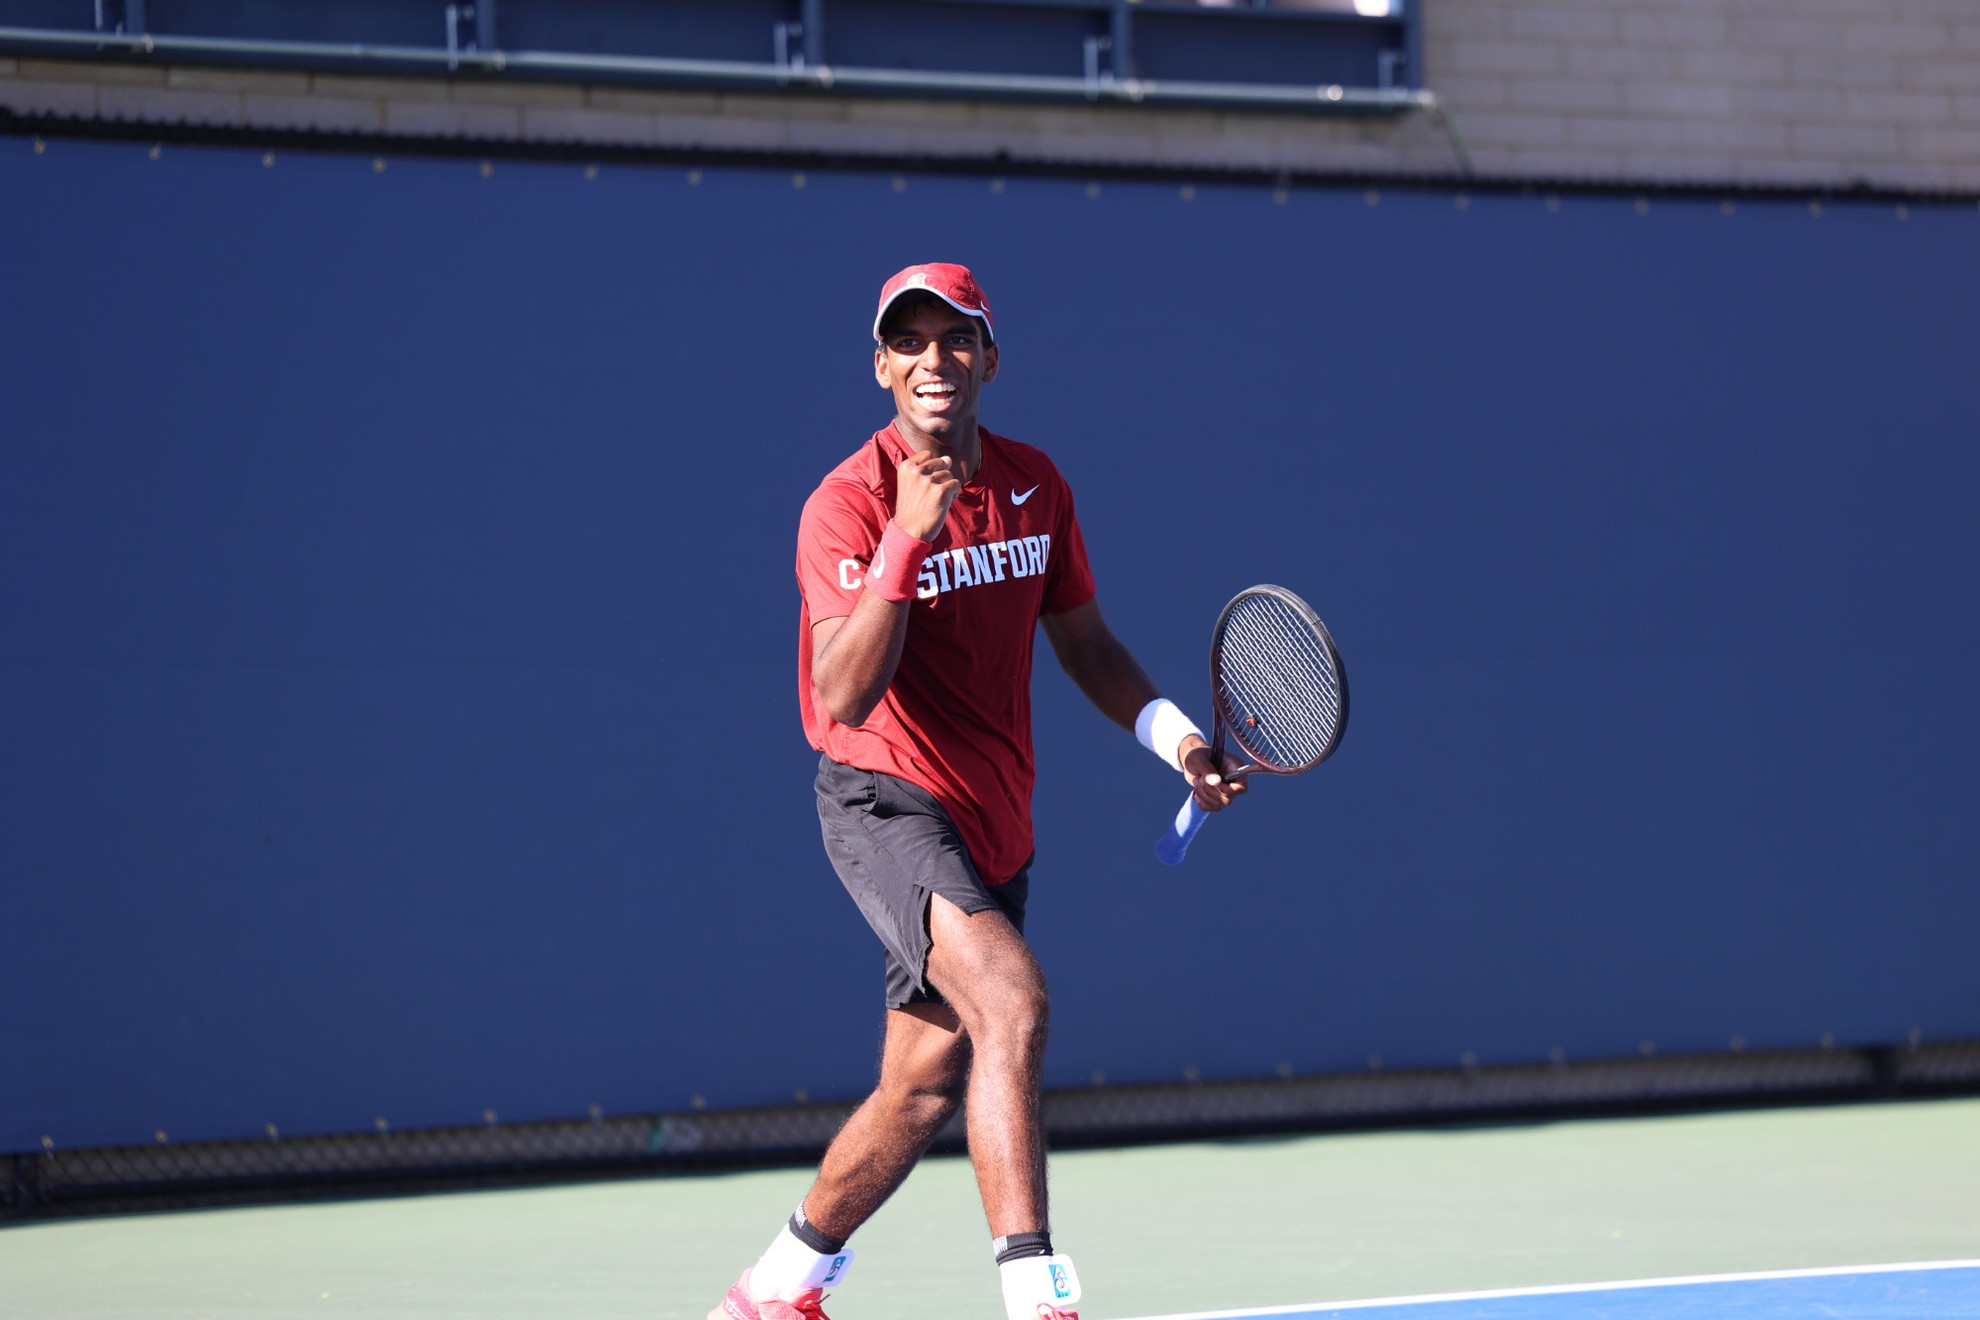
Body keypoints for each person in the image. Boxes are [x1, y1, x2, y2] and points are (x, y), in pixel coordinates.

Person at [709, 263, 1243, 1320]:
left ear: (990, 359)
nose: (933, 361)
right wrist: (908, 532)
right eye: (908, 343)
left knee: (919, 1089)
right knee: (1014, 999)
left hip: (994, 824)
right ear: (881, 369)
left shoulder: (1036, 486)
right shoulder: (847, 504)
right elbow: (844, 692)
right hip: (882, 800)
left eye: (955, 339)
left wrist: (1180, 743)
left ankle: (777, 1288)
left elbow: (1087, 645)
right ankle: (1034, 1289)